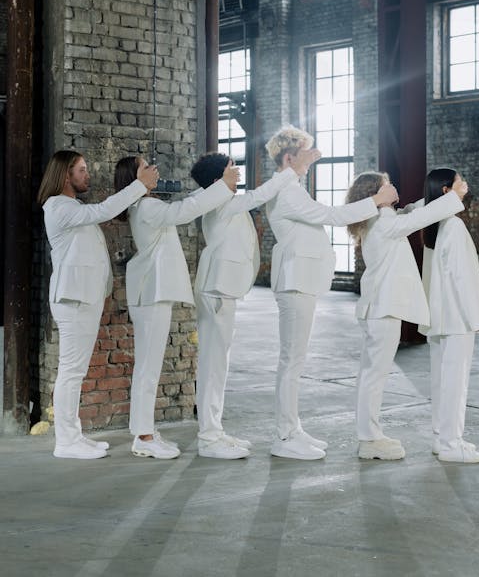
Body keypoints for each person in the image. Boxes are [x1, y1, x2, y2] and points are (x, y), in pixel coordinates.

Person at [264, 126, 399, 460]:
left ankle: (292, 428)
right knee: (291, 360)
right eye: (308, 152)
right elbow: (332, 215)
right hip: (294, 280)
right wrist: (375, 201)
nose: (313, 158)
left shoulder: (292, 188)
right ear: (290, 156)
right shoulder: (288, 191)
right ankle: (284, 436)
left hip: (301, 280)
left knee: (294, 359)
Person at [190, 146, 320, 460]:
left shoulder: (227, 201)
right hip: (217, 290)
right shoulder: (220, 200)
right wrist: (293, 170)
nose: (238, 171)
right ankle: (208, 438)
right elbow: (261, 194)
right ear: (219, 177)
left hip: (225, 290)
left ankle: (215, 431)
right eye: (232, 167)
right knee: (212, 366)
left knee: (218, 365)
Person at [114, 155, 239, 460]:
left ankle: (145, 431)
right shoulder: (146, 206)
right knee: (147, 366)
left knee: (149, 364)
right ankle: (143, 436)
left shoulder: (147, 206)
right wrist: (221, 187)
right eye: (146, 167)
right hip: (151, 292)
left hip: (153, 292)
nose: (153, 170)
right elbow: (184, 212)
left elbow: (186, 204)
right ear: (134, 178)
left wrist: (213, 189)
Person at [38, 150, 159, 460]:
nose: (87, 174)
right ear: (65, 175)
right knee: (71, 371)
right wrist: (139, 186)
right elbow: (102, 211)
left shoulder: (72, 207)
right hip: (74, 301)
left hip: (83, 299)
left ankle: (74, 435)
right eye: (81, 170)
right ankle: (65, 441)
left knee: (74, 371)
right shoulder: (57, 207)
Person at [345, 170, 466, 461]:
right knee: (375, 375)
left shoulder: (381, 219)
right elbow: (416, 219)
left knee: (371, 374)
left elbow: (412, 211)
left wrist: (437, 196)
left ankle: (369, 435)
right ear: (375, 192)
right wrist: (453, 197)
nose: (393, 186)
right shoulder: (384, 221)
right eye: (386, 184)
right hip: (382, 309)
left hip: (379, 309)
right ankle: (370, 439)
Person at [419, 168, 479, 464]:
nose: (467, 184)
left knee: (442, 380)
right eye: (461, 181)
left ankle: (442, 437)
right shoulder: (455, 227)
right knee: (455, 382)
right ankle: (451, 443)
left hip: (440, 316)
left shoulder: (436, 227)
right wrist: (477, 319)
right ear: (446, 191)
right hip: (458, 317)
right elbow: (463, 279)